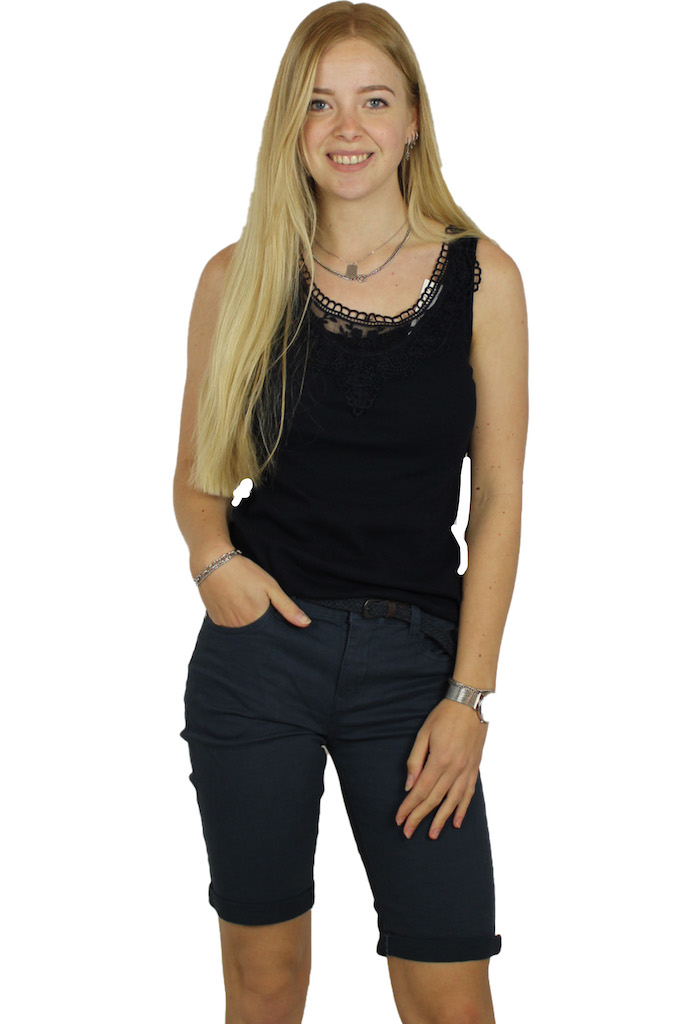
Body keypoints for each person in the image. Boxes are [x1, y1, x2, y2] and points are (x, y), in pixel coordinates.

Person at [173, 3, 528, 1021]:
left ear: (413, 120)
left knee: (448, 990)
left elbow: (498, 498)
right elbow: (197, 477)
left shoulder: (483, 280)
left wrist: (467, 698)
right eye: (319, 103)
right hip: (259, 659)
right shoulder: (237, 276)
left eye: (373, 101)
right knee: (266, 980)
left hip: (413, 674)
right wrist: (213, 561)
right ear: (291, 124)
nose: (346, 127)